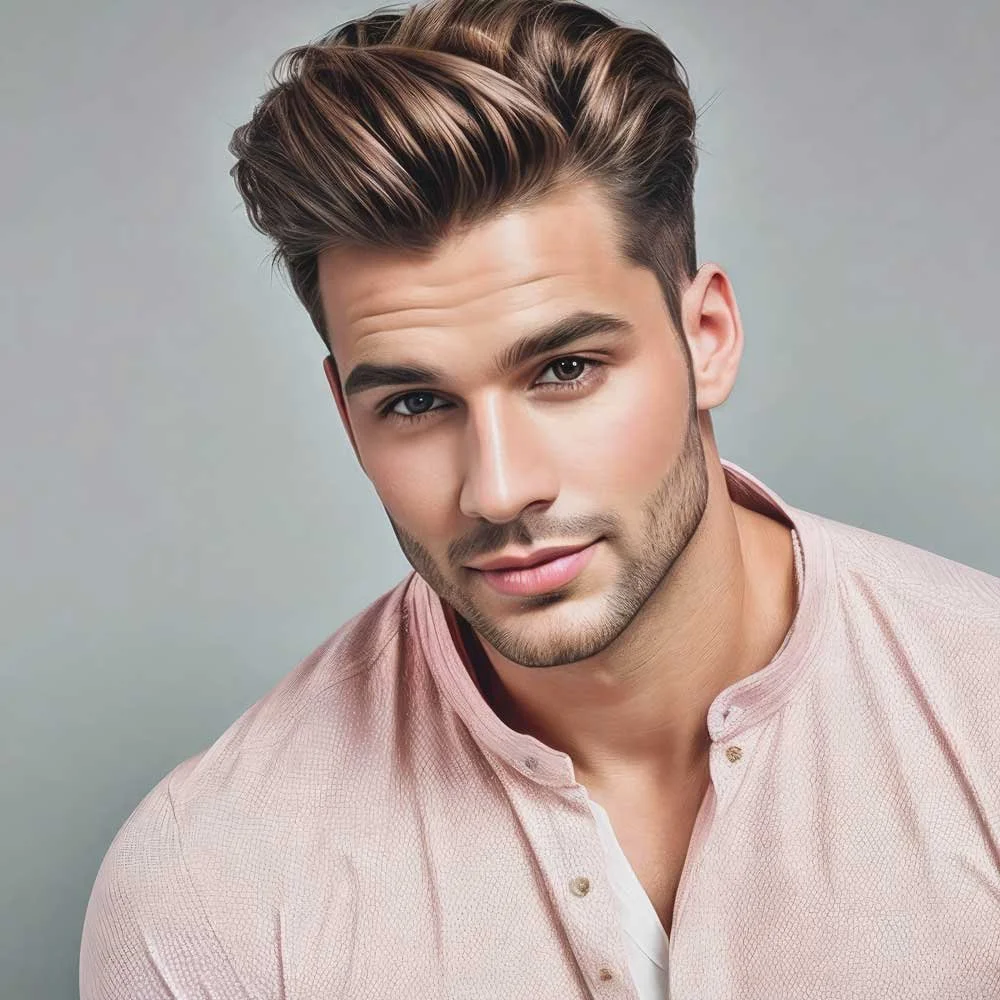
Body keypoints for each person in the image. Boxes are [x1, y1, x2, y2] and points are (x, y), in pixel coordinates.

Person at [79, 1, 1000, 997]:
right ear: (349, 421)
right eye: (416, 401)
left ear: (707, 338)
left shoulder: (978, 708)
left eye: (564, 369)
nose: (500, 486)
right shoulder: (209, 884)